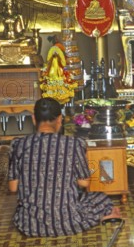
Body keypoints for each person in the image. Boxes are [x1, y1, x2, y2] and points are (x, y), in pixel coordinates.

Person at [8, 98, 120, 237]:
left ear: (33, 119)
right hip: (69, 222)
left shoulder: (19, 144)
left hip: (29, 225)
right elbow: (84, 182)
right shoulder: (73, 144)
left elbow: (13, 187)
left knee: (22, 209)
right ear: (60, 119)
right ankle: (102, 217)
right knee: (102, 198)